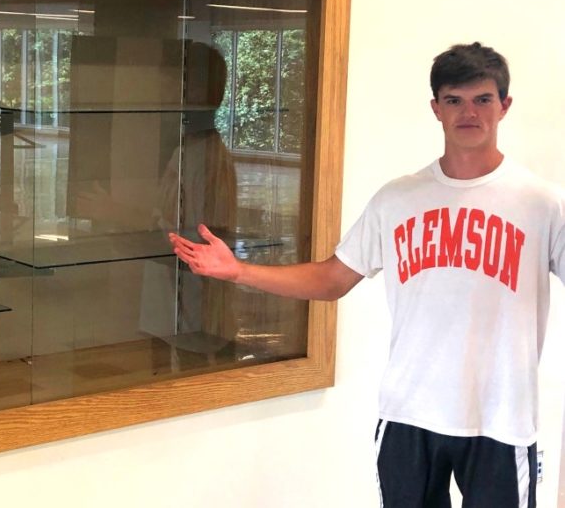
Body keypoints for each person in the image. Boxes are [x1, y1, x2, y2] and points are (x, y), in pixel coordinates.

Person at [168, 42, 565, 508]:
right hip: (408, 413)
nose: (469, 113)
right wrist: (238, 271)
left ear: (505, 106)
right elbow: (332, 279)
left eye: (483, 99)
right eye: (454, 100)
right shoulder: (398, 198)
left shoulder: (542, 203)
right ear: (436, 109)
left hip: (502, 418)